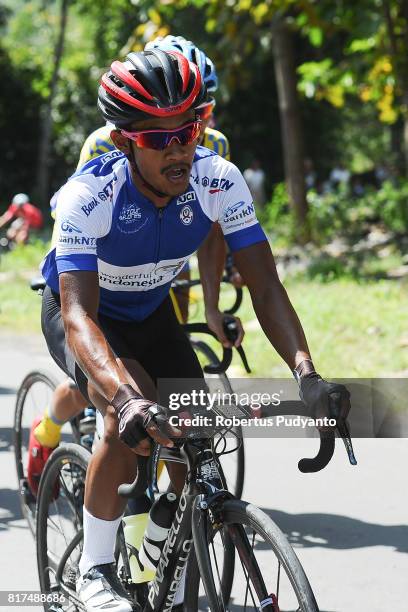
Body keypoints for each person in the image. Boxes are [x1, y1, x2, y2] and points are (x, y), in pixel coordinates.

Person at [36, 49, 350, 611]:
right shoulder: (92, 195)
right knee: (120, 418)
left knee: (193, 434)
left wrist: (307, 375)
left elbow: (265, 285)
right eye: (159, 139)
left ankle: (161, 547)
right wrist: (129, 400)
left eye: (189, 130)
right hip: (85, 314)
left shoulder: (217, 179)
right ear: (127, 140)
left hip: (153, 310)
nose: (179, 147)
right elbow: (80, 314)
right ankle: (95, 569)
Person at [29, 36, 235, 481]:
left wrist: (215, 306)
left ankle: (168, 522)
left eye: (200, 114)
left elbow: (213, 228)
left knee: (181, 407)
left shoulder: (215, 147)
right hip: (96, 267)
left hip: (159, 273)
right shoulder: (102, 145)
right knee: (103, 389)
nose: (183, 135)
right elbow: (78, 213)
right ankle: (48, 429)